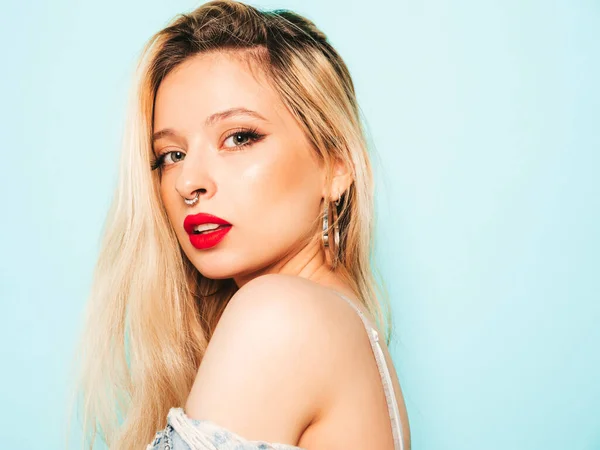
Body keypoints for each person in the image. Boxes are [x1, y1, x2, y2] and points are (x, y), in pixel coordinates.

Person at [71, 1, 412, 449]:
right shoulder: (344, 328)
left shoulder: (281, 314)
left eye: (239, 137)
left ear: (335, 166)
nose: (188, 182)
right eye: (171, 155)